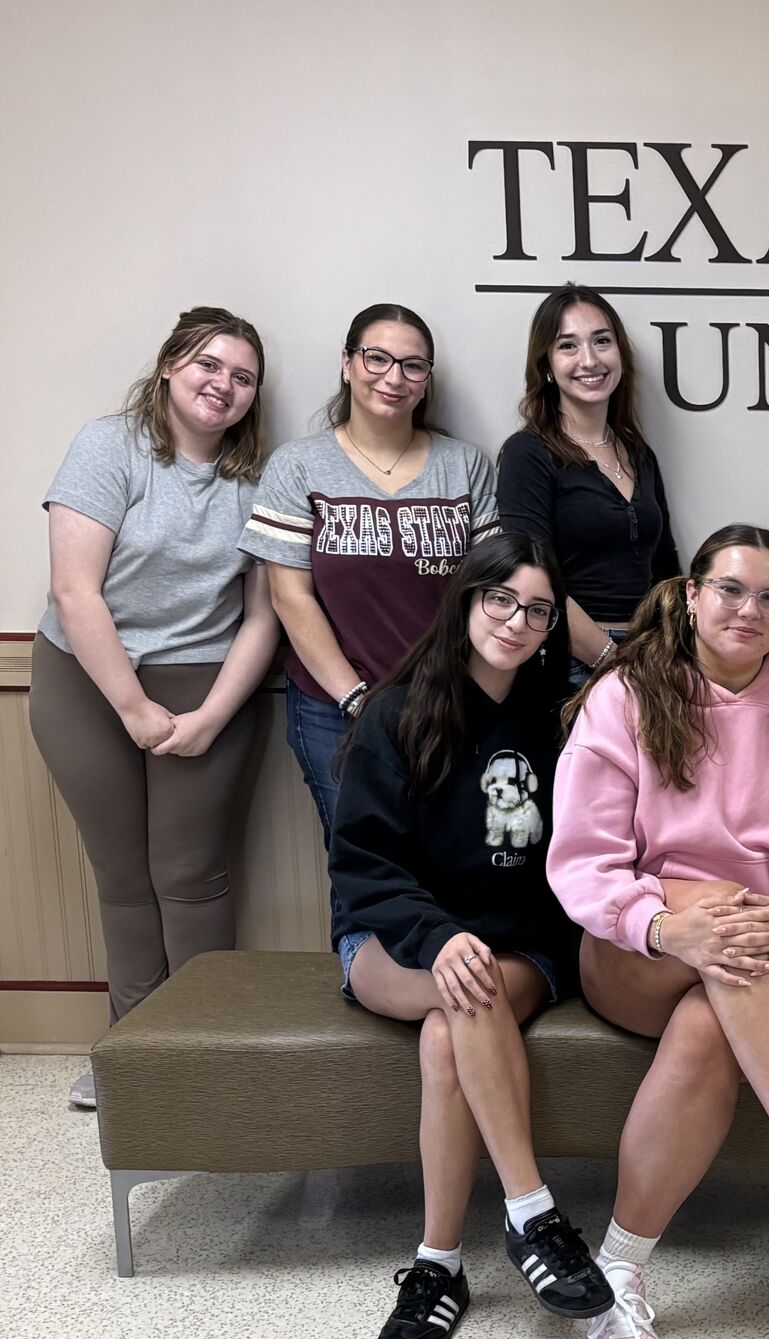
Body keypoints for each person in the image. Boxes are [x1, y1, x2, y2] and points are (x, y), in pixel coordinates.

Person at [548, 524, 769, 1339]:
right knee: (716, 918)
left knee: (715, 1009)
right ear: (693, 596)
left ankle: (617, 1269)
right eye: (731, 589)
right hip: (639, 946)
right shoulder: (626, 694)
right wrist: (671, 926)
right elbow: (586, 863)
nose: (749, 609)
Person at [329, 533, 612, 1339]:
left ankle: (438, 1266)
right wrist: (437, 934)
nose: (516, 622)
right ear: (465, 599)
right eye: (500, 599)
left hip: (518, 941)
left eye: (537, 610)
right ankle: (534, 1217)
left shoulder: (564, 712)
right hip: (395, 938)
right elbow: (363, 865)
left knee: (465, 1005)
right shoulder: (397, 710)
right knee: (456, 993)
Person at [31, 307, 280, 1111]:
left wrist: (208, 717)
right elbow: (75, 590)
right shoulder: (109, 447)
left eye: (243, 377)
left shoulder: (257, 476)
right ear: (171, 363)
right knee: (124, 877)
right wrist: (134, 706)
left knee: (190, 876)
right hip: (86, 677)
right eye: (210, 365)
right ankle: (132, 1062)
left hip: (210, 680)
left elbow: (264, 616)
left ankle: (201, 1057)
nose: (224, 386)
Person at [239, 302, 499, 863]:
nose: (393, 378)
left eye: (412, 366)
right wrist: (357, 699)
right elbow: (290, 595)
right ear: (347, 363)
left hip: (446, 703)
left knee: (450, 863)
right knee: (364, 870)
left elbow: (490, 594)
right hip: (334, 709)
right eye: (376, 358)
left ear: (427, 380)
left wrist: (459, 690)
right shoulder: (298, 466)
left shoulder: (466, 465)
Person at [497, 283, 680, 686]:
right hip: (567, 659)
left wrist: (668, 651)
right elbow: (533, 577)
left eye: (602, 341)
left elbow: (665, 565)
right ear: (545, 364)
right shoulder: (526, 454)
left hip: (648, 656)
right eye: (567, 346)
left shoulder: (639, 453)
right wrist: (610, 660)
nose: (590, 359)